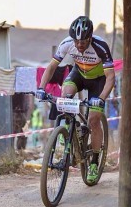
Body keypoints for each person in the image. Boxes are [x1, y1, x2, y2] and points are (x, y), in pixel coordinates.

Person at [36, 16, 115, 183]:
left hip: (99, 80)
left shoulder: (101, 46)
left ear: (90, 37)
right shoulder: (66, 44)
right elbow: (51, 67)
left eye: (84, 41)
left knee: (94, 119)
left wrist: (101, 98)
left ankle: (94, 162)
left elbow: (110, 78)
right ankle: (73, 131)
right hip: (78, 74)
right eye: (77, 41)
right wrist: (41, 88)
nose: (79, 45)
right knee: (64, 98)